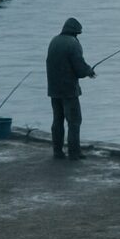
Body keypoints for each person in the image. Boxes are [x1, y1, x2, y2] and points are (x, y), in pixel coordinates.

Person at [46, 17, 96, 160]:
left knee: (57, 121)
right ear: (75, 32)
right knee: (74, 122)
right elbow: (80, 69)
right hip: (68, 91)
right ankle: (74, 153)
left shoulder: (54, 41)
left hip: (54, 89)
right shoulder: (73, 44)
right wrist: (89, 71)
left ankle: (57, 151)